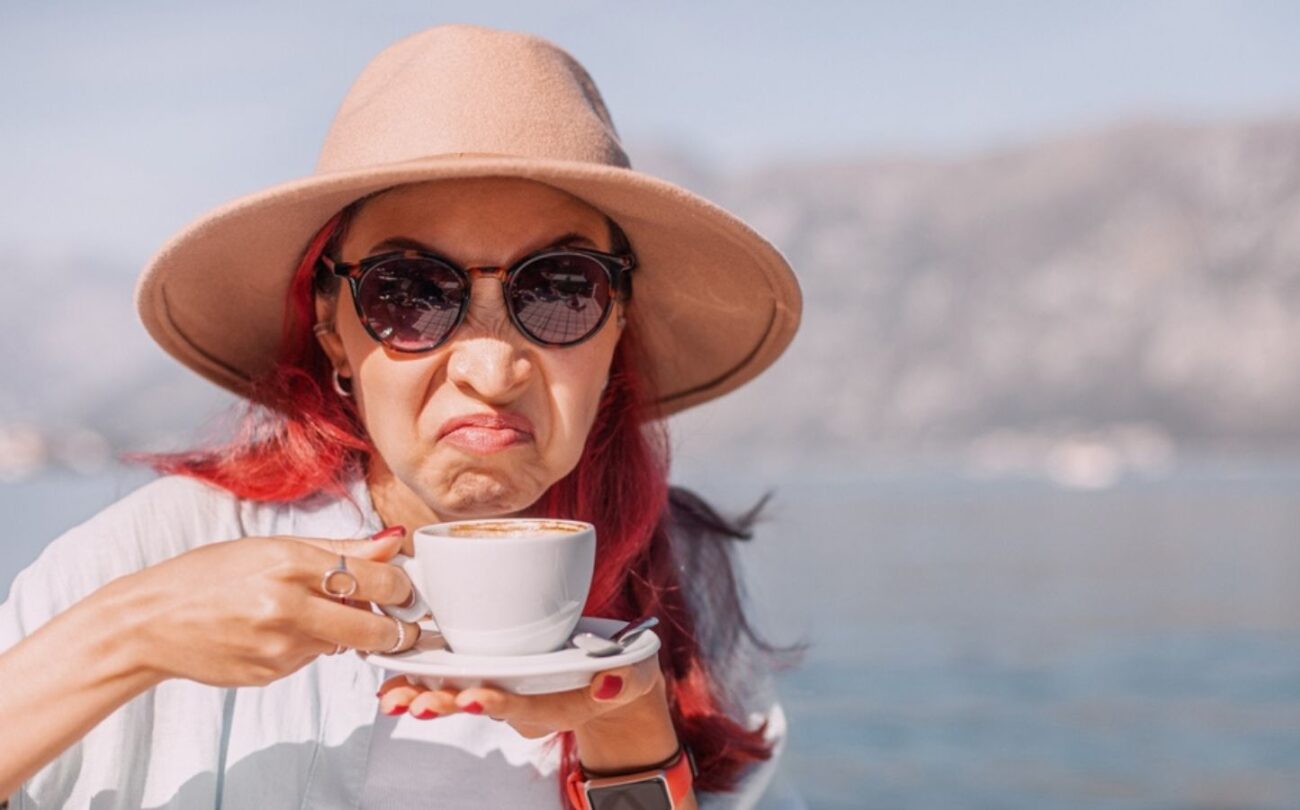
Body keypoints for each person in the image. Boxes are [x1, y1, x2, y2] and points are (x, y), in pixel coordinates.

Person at [0, 23, 805, 810]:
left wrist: (630, 733)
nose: (492, 369)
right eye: (410, 294)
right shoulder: (148, 559)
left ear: (617, 324)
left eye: (560, 291)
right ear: (332, 332)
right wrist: (126, 638)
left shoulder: (682, 583)